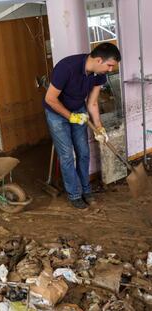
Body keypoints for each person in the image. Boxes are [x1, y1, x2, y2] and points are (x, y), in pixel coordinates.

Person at [43, 42, 121, 209]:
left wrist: (99, 128)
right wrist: (70, 116)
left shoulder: (98, 75)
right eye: (109, 66)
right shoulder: (67, 67)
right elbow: (50, 99)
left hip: (78, 109)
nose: (110, 70)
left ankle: (86, 190)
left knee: (84, 152)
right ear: (99, 60)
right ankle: (74, 194)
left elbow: (92, 103)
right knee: (67, 156)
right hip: (57, 113)